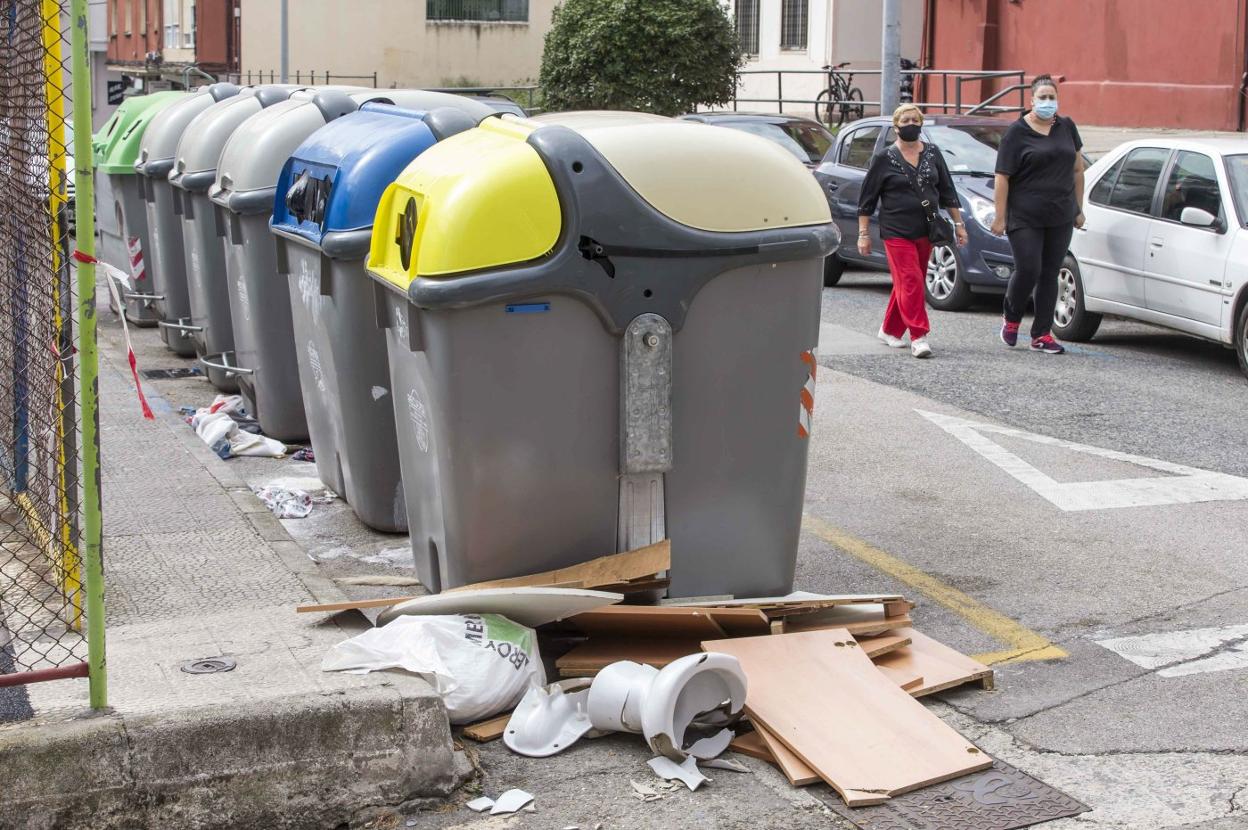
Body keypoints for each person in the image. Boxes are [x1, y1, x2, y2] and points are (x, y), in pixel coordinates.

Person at [857, 104, 968, 359]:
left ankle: (889, 329)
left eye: (915, 120)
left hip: (925, 228)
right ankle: (919, 335)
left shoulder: (932, 153)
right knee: (911, 280)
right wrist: (864, 234)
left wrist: (959, 225)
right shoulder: (884, 158)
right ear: (896, 126)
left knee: (910, 281)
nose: (911, 124)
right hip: (896, 229)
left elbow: (948, 192)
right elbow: (867, 199)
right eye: (905, 120)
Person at [992, 74, 1086, 354]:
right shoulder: (1016, 133)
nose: (1048, 102)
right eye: (1042, 98)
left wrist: (1078, 210)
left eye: (1052, 97)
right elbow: (1002, 176)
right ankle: (1011, 318)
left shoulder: (1067, 127)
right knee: (1029, 268)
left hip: (1060, 214)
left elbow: (1078, 170)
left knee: (1050, 273)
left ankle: (1041, 334)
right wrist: (1000, 216)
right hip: (1024, 215)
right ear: (1031, 100)